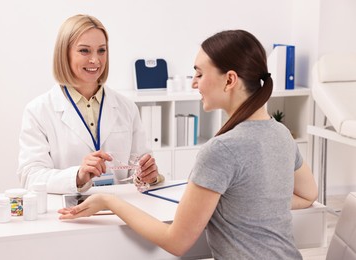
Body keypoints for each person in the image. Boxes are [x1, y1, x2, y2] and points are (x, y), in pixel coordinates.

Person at [58, 30, 318, 259]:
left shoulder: (221, 150)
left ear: (229, 80)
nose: (194, 82)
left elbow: (176, 242)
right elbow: (308, 195)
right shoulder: (281, 133)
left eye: (199, 73)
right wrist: (248, 204)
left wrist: (109, 201)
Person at [17, 14, 164, 194]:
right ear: (65, 54)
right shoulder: (38, 111)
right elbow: (31, 176)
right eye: (84, 51)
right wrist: (77, 176)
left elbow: (140, 166)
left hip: (121, 210)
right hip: (67, 214)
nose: (95, 60)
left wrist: (148, 175)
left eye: (101, 50)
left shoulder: (126, 107)